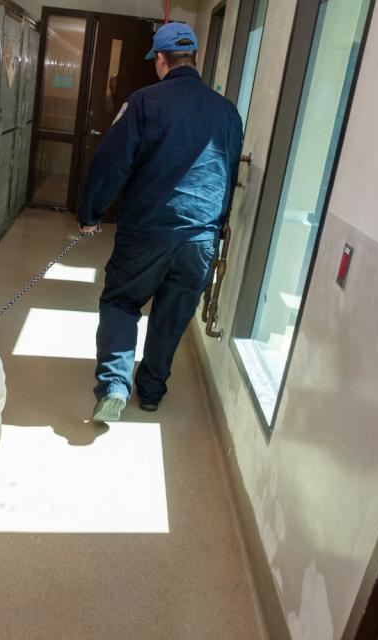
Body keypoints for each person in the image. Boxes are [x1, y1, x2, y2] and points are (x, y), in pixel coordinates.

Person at [78, 22, 244, 422]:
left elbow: (110, 165)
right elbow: (227, 173)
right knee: (172, 314)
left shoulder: (143, 103)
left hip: (148, 233)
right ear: (195, 59)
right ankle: (151, 392)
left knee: (121, 300)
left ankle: (115, 386)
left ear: (161, 60)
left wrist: (91, 214)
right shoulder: (228, 112)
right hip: (201, 238)